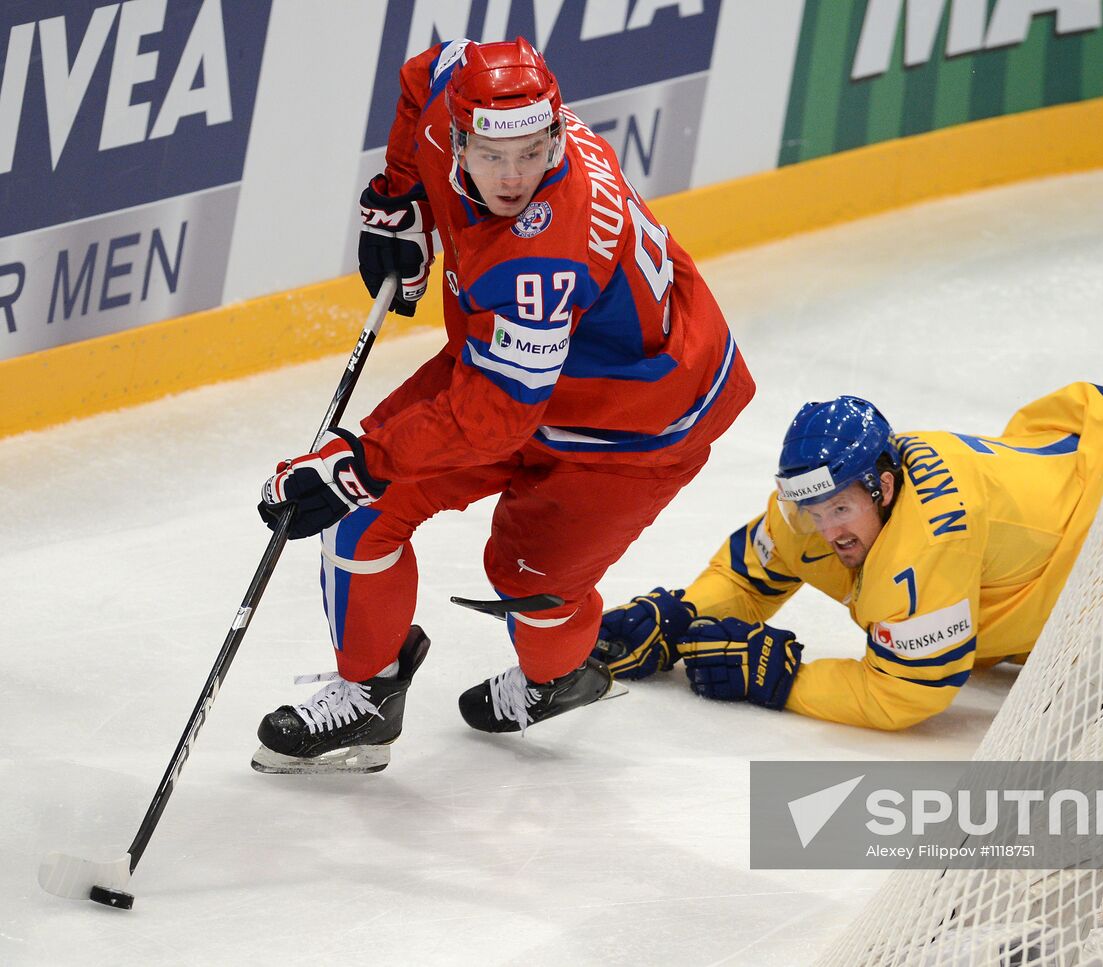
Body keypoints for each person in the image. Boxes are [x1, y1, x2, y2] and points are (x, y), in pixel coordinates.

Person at [249, 37, 754, 773]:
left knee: (528, 582)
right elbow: (425, 70)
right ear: (456, 135)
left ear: (557, 131)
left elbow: (495, 416)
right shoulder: (469, 96)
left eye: (533, 152)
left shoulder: (543, 253)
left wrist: (364, 461)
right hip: (509, 370)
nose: (514, 175)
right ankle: (370, 694)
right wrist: (399, 197)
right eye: (491, 155)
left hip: (632, 423)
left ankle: (561, 677)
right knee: (363, 515)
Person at [593, 383, 1103, 731]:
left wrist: (779, 680)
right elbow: (749, 574)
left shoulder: (926, 547)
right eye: (811, 512)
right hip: (1067, 477)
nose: (825, 532)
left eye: (840, 510)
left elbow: (907, 693)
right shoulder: (817, 507)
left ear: (885, 487)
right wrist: (679, 618)